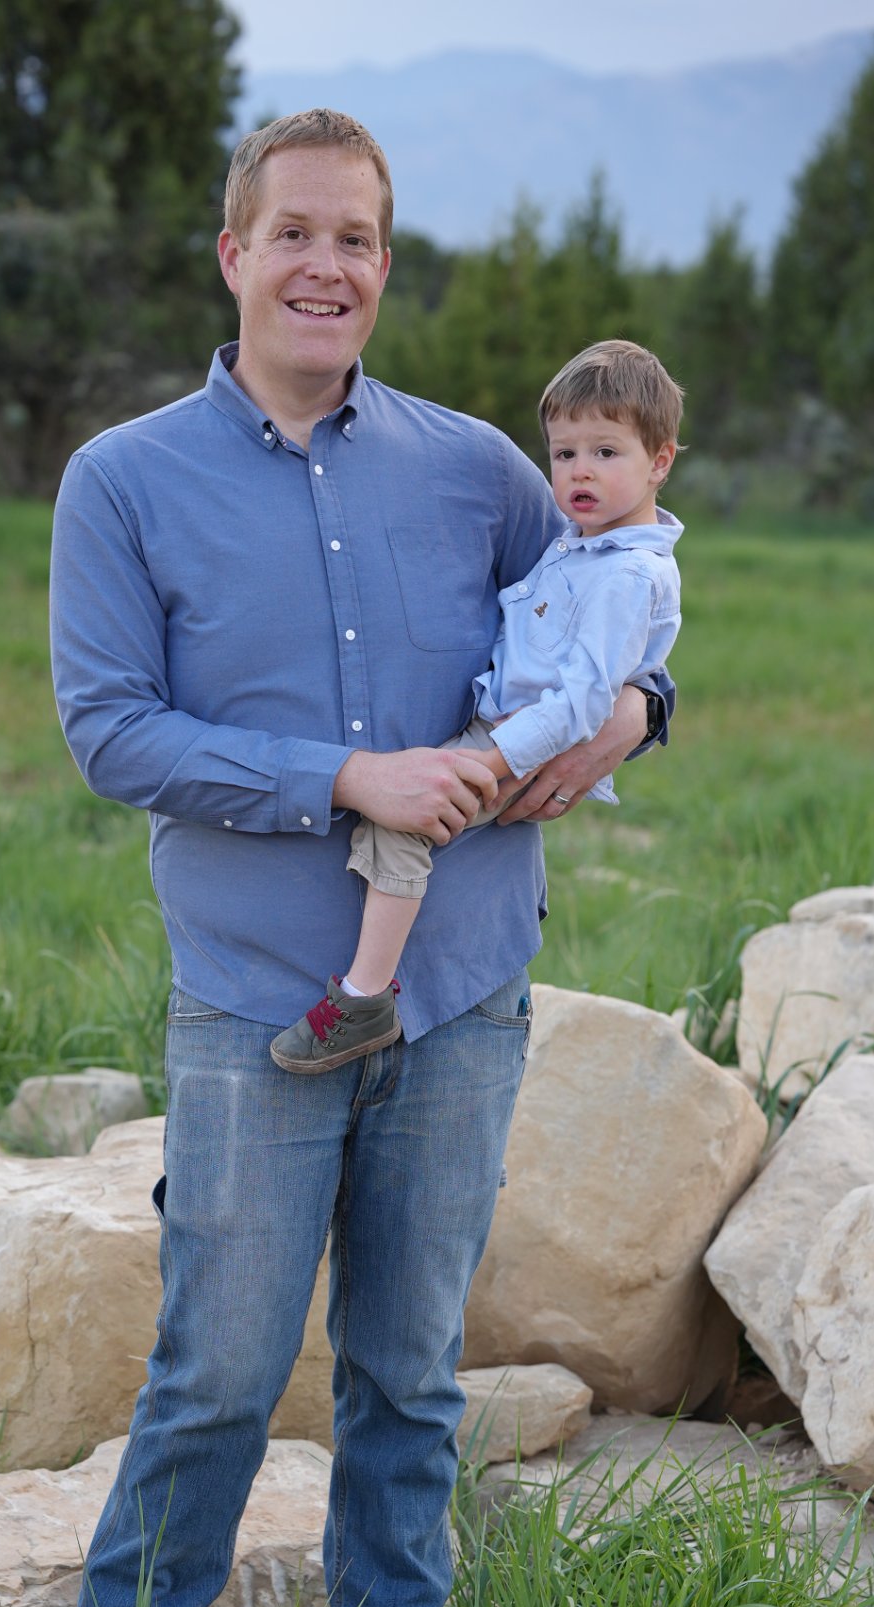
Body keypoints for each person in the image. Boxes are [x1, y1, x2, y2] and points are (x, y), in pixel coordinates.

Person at [50, 109, 674, 1607]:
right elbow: (109, 730)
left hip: (459, 991)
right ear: (234, 254)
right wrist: (345, 777)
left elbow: (617, 603)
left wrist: (640, 710)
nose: (326, 266)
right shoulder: (124, 480)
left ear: (383, 266)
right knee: (215, 1379)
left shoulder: (480, 469)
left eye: (357, 239)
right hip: (259, 1000)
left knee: (408, 1381)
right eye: (296, 233)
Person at [269, 339, 683, 1074]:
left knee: (403, 822)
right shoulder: (579, 545)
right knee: (400, 816)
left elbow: (585, 699)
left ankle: (364, 996)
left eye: (605, 452)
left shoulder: (626, 574)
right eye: (563, 454)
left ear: (659, 462)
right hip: (499, 725)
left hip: (516, 740)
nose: (579, 471)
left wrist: (491, 761)